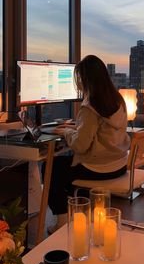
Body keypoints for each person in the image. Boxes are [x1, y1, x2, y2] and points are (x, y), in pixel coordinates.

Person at [45, 55, 130, 233]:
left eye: (79, 78)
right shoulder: (117, 100)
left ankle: (62, 220)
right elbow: (100, 130)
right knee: (67, 166)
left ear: (85, 79)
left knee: (51, 166)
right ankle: (80, 212)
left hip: (99, 169)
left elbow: (81, 146)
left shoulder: (89, 106)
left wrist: (67, 131)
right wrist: (76, 127)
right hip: (120, 165)